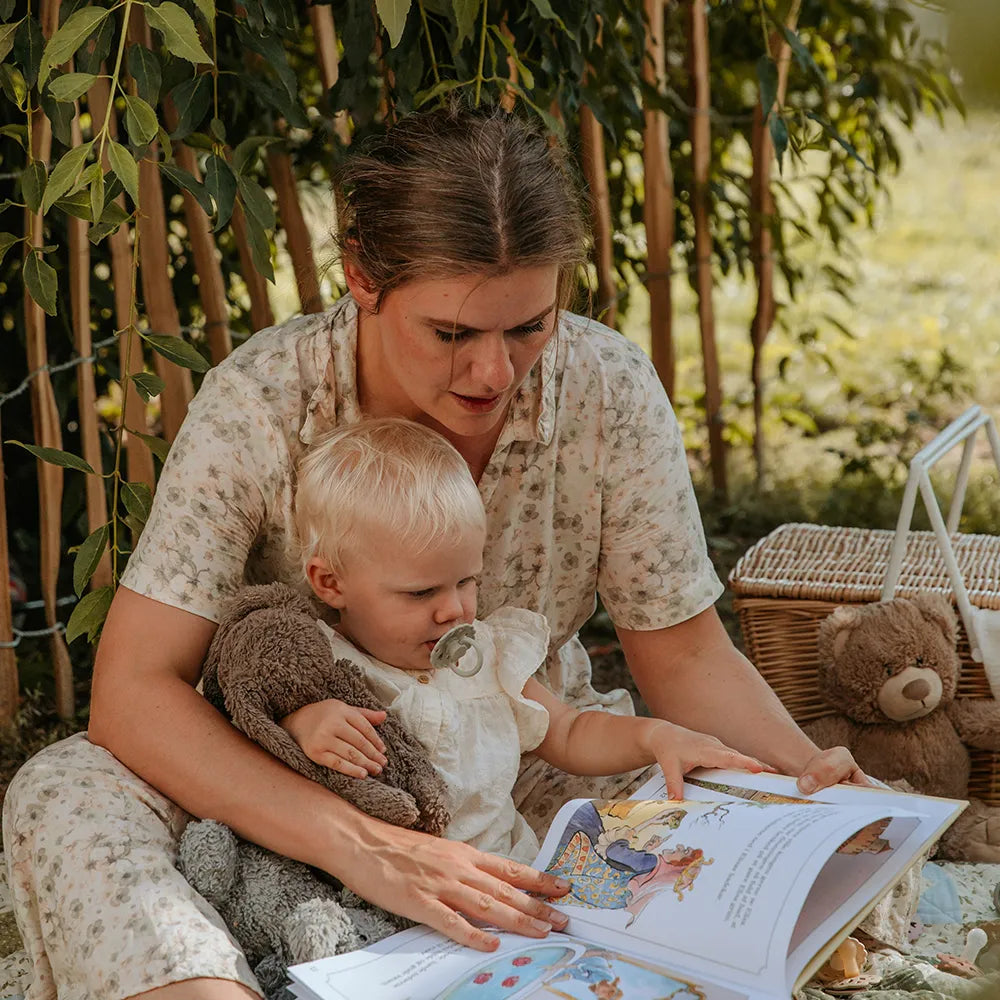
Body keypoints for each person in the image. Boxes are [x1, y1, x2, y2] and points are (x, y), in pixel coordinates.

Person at [3, 102, 867, 1000]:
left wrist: (808, 783)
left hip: (526, 761)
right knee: (64, 793)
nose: (495, 373)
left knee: (728, 830)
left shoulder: (608, 389)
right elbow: (133, 693)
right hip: (280, 776)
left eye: (530, 326)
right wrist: (365, 844)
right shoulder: (262, 403)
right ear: (363, 280)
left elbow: (684, 652)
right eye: (452, 334)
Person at [288, 418, 770, 862]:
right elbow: (257, 732)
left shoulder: (487, 658)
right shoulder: (322, 665)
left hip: (510, 871)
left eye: (466, 581)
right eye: (421, 592)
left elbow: (567, 732)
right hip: (390, 881)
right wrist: (302, 724)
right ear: (331, 583)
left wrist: (655, 735)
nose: (453, 610)